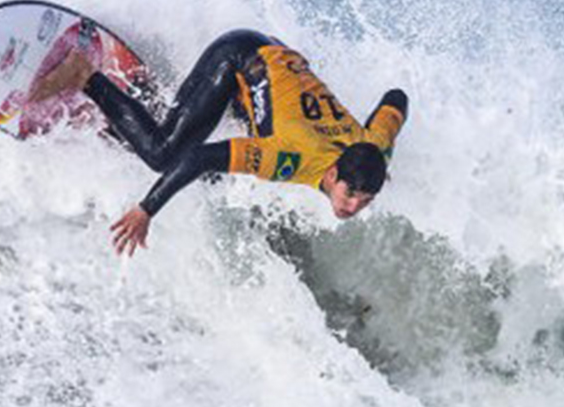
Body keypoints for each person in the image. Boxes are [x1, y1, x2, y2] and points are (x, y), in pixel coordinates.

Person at [69, 29, 408, 256]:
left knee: (210, 178)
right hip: (240, 59)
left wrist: (378, 158)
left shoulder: (375, 145)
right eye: (351, 195)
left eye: (365, 200)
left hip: (273, 73)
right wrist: (146, 209)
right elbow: (200, 157)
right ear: (333, 175)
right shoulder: (288, 157)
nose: (353, 208)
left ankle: (138, 100)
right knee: (164, 157)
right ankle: (84, 75)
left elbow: (397, 97)